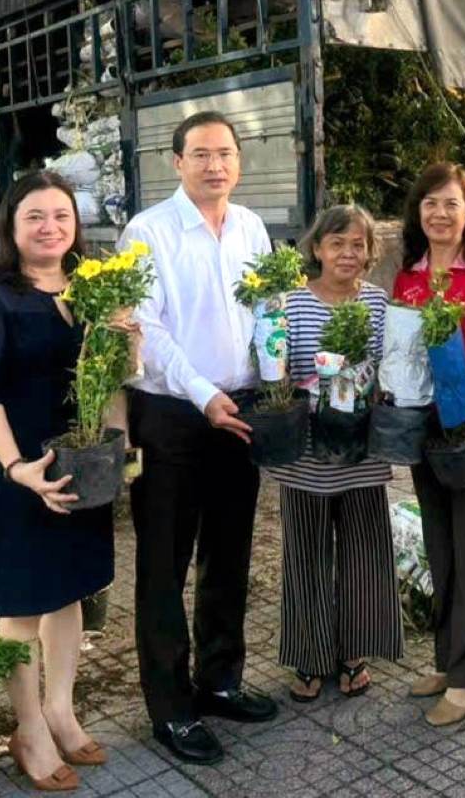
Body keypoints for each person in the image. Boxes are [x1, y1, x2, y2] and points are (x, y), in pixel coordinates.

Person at [120, 110, 276, 766]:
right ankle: (171, 706)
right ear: (176, 162)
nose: (215, 165)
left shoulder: (252, 226)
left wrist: (278, 378)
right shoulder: (148, 230)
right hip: (172, 417)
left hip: (239, 410)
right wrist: (201, 394)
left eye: (226, 154)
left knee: (229, 553)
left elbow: (268, 308)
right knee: (163, 562)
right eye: (201, 154)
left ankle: (219, 679)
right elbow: (148, 331)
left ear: (239, 162)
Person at [0, 171, 113, 792]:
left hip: (82, 463)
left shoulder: (94, 287)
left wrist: (125, 341)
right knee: (22, 605)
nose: (50, 227)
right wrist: (19, 468)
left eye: (61, 216)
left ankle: (61, 710)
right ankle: (28, 728)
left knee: (69, 591)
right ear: (11, 227)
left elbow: (113, 376)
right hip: (25, 470)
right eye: (35, 217)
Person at [265, 204, 404, 702]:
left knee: (364, 552)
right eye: (337, 243)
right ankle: (309, 655)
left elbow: (392, 368)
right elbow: (273, 370)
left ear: (369, 253)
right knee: (305, 555)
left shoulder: (379, 304)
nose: (348, 253)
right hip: (305, 453)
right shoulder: (288, 303)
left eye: (358, 244)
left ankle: (354, 651)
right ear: (317, 248)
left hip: (364, 451)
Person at [392, 162, 465, 727]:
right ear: (418, 213)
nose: (440, 213)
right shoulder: (407, 279)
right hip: (424, 431)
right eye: (430, 203)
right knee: (439, 547)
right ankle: (448, 659)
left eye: (452, 204)